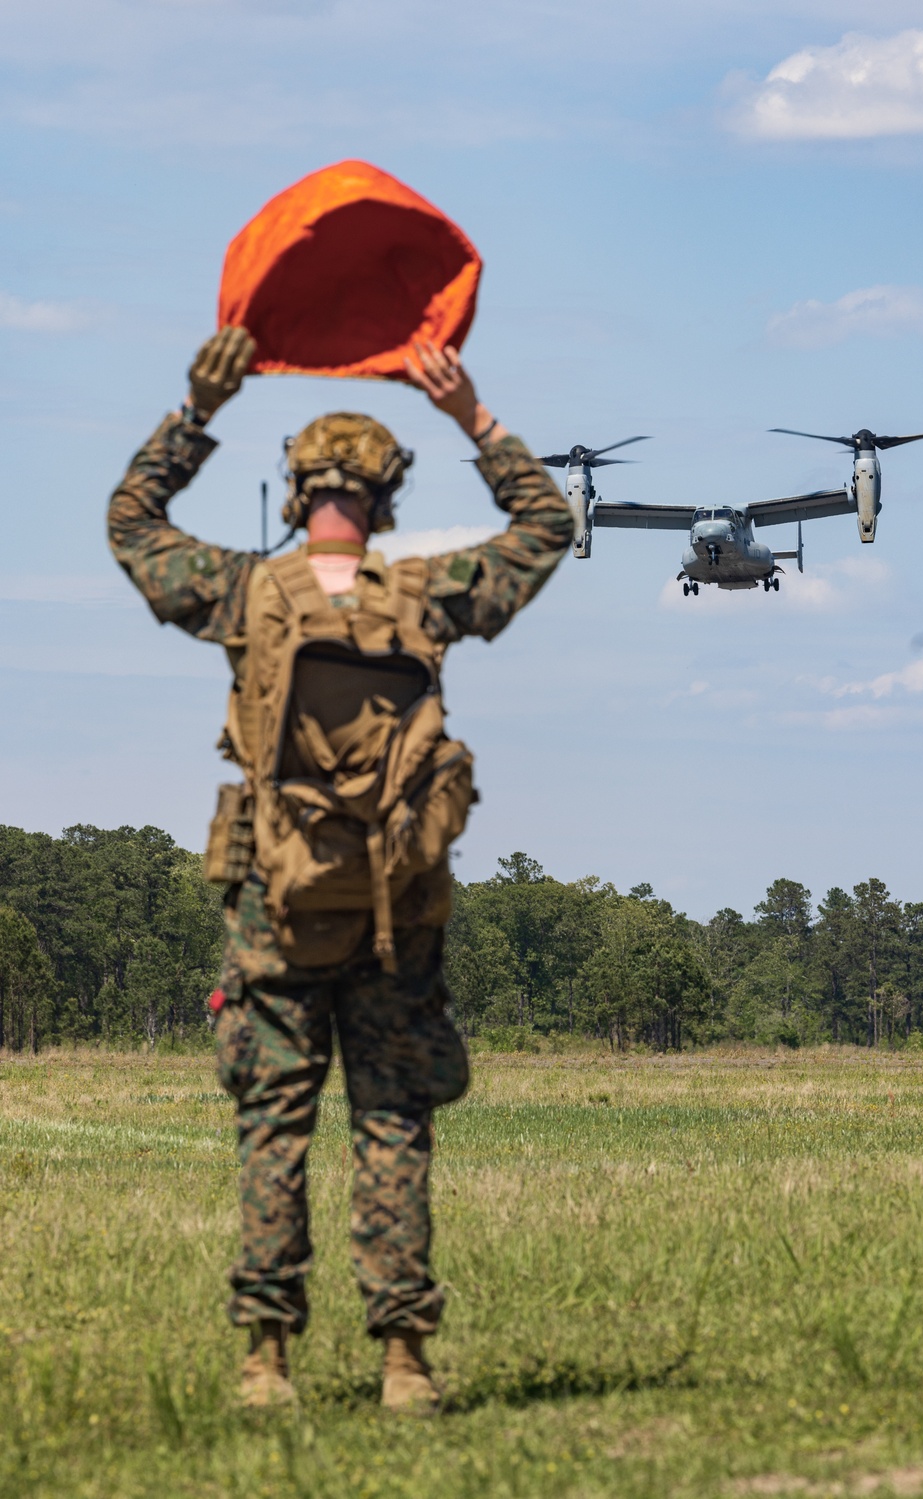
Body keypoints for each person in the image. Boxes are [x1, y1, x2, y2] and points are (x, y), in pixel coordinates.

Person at [107, 326, 572, 1411]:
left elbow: (131, 522)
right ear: (386, 494)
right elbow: (547, 523)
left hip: (276, 904)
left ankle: (265, 1358)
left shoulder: (245, 595)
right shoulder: (424, 593)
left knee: (272, 1124)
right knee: (391, 1124)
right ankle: (404, 1359)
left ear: (294, 490)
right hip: (396, 911)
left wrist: (197, 409)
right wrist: (475, 416)